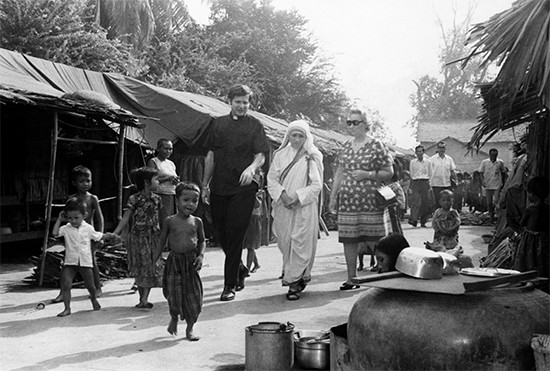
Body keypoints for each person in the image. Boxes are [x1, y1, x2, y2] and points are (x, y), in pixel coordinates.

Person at [201, 84, 270, 302]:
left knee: (236, 233)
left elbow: (261, 154)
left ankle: (229, 285)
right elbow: (210, 156)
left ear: (250, 104)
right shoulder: (218, 124)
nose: (242, 106)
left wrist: (252, 168)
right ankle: (239, 268)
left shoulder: (255, 125)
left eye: (245, 102)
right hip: (220, 187)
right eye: (238, 102)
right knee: (221, 234)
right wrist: (205, 185)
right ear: (229, 102)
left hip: (244, 188)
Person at [328, 109, 393, 291]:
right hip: (348, 202)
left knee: (375, 240)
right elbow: (339, 173)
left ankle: (384, 277)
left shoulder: (376, 145)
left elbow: (389, 172)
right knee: (349, 240)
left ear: (365, 124)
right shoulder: (345, 146)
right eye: (349, 122)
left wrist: (367, 174)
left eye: (355, 122)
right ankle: (352, 278)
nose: (352, 126)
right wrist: (333, 198)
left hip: (371, 201)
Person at [267, 120, 323, 300]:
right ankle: (292, 274)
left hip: (304, 207)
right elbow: (272, 179)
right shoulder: (280, 155)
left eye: (301, 136)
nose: (297, 139)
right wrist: (283, 197)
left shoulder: (312, 155)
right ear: (288, 136)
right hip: (283, 206)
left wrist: (298, 198)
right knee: (285, 241)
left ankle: (294, 283)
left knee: (300, 242)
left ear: (306, 137)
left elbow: (316, 185)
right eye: (294, 135)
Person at [154, 182, 205, 340]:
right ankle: (174, 317)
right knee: (173, 294)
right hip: (174, 262)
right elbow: (162, 240)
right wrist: (156, 258)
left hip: (190, 262)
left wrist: (201, 256)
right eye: (186, 199)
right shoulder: (170, 221)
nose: (190, 204)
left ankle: (190, 329)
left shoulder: (197, 222)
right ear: (177, 200)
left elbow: (202, 241)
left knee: (194, 297)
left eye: (194, 201)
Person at [52, 198, 118, 317]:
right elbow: (55, 233)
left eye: (76, 218)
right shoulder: (66, 229)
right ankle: (67, 308)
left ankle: (93, 299)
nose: (73, 221)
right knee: (66, 284)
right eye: (70, 218)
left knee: (90, 286)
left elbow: (98, 236)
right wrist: (59, 219)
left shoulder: (88, 228)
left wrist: (111, 236)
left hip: (85, 261)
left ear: (84, 215)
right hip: (70, 261)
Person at [51, 165, 105, 304]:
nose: (86, 184)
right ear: (74, 183)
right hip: (72, 236)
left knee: (91, 262)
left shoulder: (93, 198)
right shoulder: (71, 199)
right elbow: (66, 216)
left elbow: (99, 218)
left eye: (88, 181)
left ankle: (97, 288)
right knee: (67, 264)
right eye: (82, 181)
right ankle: (63, 292)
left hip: (88, 235)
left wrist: (100, 235)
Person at [113, 167, 161, 309]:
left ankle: (144, 299)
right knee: (141, 267)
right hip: (138, 238)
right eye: (156, 179)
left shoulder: (157, 199)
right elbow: (126, 218)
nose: (158, 182)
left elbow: (162, 220)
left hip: (153, 238)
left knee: (150, 267)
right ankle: (143, 299)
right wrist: (116, 233)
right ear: (146, 182)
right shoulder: (134, 199)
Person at [512, 176, 549, 278]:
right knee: (541, 260)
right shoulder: (547, 208)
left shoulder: (531, 209)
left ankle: (527, 277)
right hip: (544, 239)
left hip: (530, 240)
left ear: (532, 194)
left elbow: (522, 223)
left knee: (528, 260)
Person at [147, 139, 179, 229]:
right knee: (163, 221)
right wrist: (167, 178)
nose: (168, 151)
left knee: (171, 221)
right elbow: (151, 179)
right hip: (160, 194)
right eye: (165, 148)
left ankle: (169, 242)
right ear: (158, 149)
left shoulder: (171, 164)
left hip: (172, 194)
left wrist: (175, 181)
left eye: (170, 149)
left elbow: (173, 177)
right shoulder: (153, 162)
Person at [242, 170, 265, 274]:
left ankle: (247, 268)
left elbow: (257, 205)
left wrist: (253, 193)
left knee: (251, 246)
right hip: (245, 217)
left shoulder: (259, 193)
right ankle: (256, 263)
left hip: (254, 219)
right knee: (247, 244)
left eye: (256, 180)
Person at [478, 148, 505, 224]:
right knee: (489, 203)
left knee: (496, 201)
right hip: (487, 184)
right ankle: (491, 217)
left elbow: (503, 172)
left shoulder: (500, 162)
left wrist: (503, 182)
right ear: (489, 155)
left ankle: (499, 218)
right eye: (492, 155)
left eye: (495, 155)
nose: (493, 157)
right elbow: (480, 172)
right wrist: (482, 181)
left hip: (497, 184)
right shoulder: (484, 162)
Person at [408, 145, 433, 227]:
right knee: (415, 202)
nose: (419, 153)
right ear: (415, 153)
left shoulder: (428, 162)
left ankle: (423, 221)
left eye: (420, 151)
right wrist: (411, 186)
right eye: (417, 151)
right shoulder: (412, 162)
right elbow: (411, 174)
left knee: (424, 202)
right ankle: (414, 220)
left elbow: (430, 173)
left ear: (423, 152)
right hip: (416, 182)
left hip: (424, 182)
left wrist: (429, 185)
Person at [430, 141, 457, 211]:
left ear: (445, 149)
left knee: (448, 203)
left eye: (443, 148)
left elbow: (452, 171)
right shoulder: (432, 159)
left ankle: (447, 219)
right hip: (436, 185)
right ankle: (438, 219)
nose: (441, 149)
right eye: (440, 148)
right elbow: (429, 172)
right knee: (437, 203)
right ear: (437, 148)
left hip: (447, 184)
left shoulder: (449, 159)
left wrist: (456, 181)